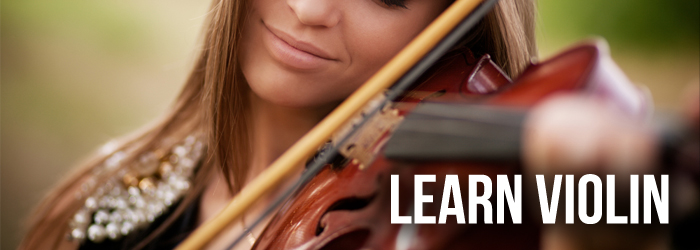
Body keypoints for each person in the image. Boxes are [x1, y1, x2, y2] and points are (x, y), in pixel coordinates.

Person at [19, 0, 695, 249]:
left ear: (441, 27)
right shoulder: (116, 190)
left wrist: (600, 229)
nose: (311, 9)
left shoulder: (434, 223)